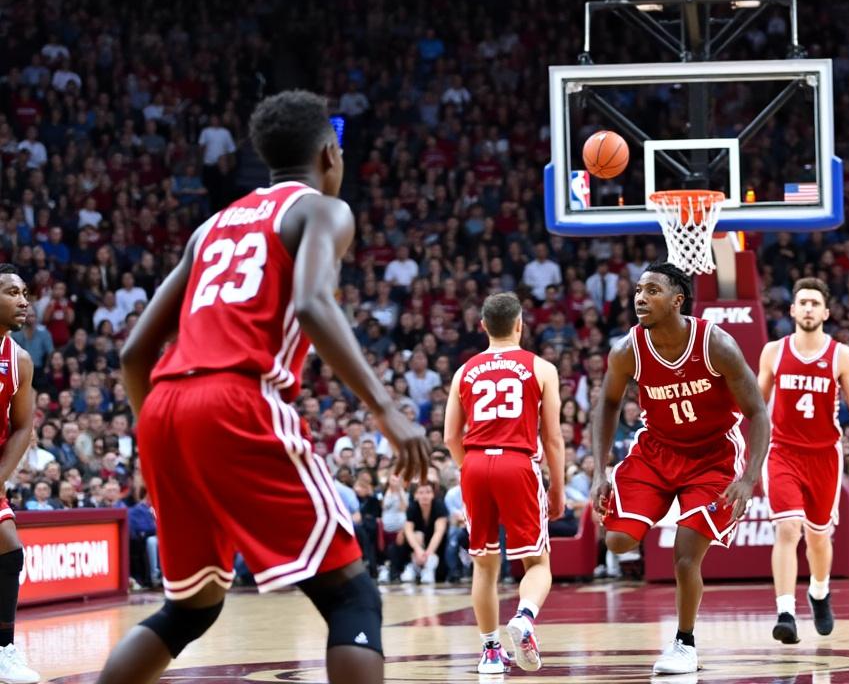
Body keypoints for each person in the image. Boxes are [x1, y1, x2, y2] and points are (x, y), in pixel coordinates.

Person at [97, 91, 432, 684]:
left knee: (189, 609)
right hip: (234, 398)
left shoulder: (210, 227)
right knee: (353, 599)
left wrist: (167, 433)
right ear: (331, 154)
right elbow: (311, 303)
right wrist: (385, 408)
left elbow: (133, 353)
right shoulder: (321, 210)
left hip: (164, 407)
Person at [589, 263, 770, 675]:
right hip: (656, 450)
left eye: (651, 290)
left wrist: (748, 479)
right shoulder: (626, 350)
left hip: (713, 456)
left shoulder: (716, 344)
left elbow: (758, 413)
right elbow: (608, 405)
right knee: (617, 541)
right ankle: (649, 505)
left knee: (685, 555)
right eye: (637, 290)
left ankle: (684, 644)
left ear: (677, 300)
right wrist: (601, 471)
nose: (640, 297)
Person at [444, 292, 564, 674]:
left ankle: (490, 651)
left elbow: (449, 437)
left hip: (476, 463)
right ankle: (525, 618)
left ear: (482, 327)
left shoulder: (463, 371)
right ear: (519, 325)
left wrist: (471, 469)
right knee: (537, 562)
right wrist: (557, 488)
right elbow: (554, 439)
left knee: (484, 565)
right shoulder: (542, 368)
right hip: (517, 463)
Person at [756, 278, 849, 644]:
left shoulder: (841, 355)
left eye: (814, 303)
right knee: (788, 528)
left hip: (824, 455)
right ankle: (785, 612)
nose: (807, 308)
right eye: (801, 301)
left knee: (819, 538)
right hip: (783, 452)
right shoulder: (773, 352)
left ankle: (819, 592)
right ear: (792, 310)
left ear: (825, 312)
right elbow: (757, 408)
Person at [0, 265, 40, 683]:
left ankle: (3, 651)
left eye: (25, 293)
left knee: (9, 548)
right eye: (13, 292)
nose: (23, 300)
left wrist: (0, 477)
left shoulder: (20, 360)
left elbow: (23, 425)